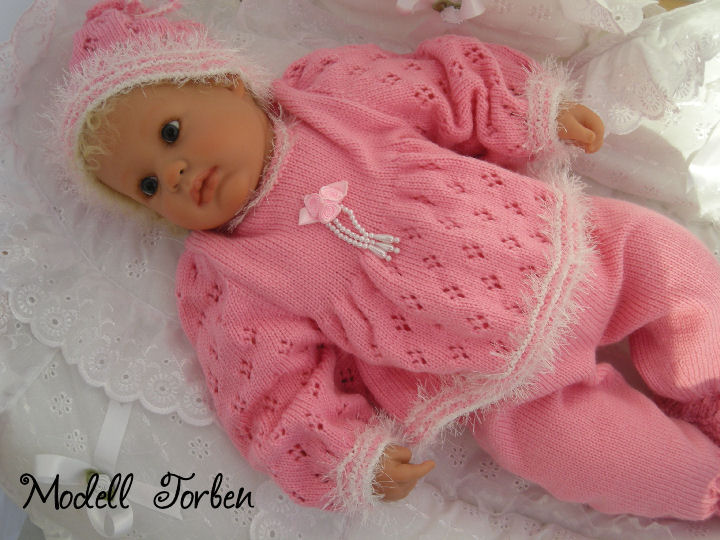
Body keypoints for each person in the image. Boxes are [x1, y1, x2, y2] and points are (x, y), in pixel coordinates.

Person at [56, 0, 720, 520]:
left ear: (228, 84)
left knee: (670, 262)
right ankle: (705, 482)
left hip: (569, 243)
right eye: (148, 185)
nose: (174, 173)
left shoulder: (327, 95)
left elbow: (438, 89)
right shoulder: (230, 276)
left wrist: (525, 108)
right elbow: (271, 391)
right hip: (498, 391)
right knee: (595, 457)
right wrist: (345, 453)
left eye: (171, 132)